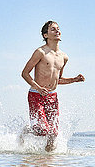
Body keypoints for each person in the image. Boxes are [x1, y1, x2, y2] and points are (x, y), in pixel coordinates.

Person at [20, 21, 85, 151]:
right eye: (53, 30)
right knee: (43, 130)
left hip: (52, 97)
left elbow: (58, 79)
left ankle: (48, 160)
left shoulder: (64, 57)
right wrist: (38, 87)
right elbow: (25, 73)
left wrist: (74, 79)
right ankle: (27, 130)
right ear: (45, 35)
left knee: (53, 133)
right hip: (36, 94)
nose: (57, 31)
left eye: (58, 29)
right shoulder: (40, 52)